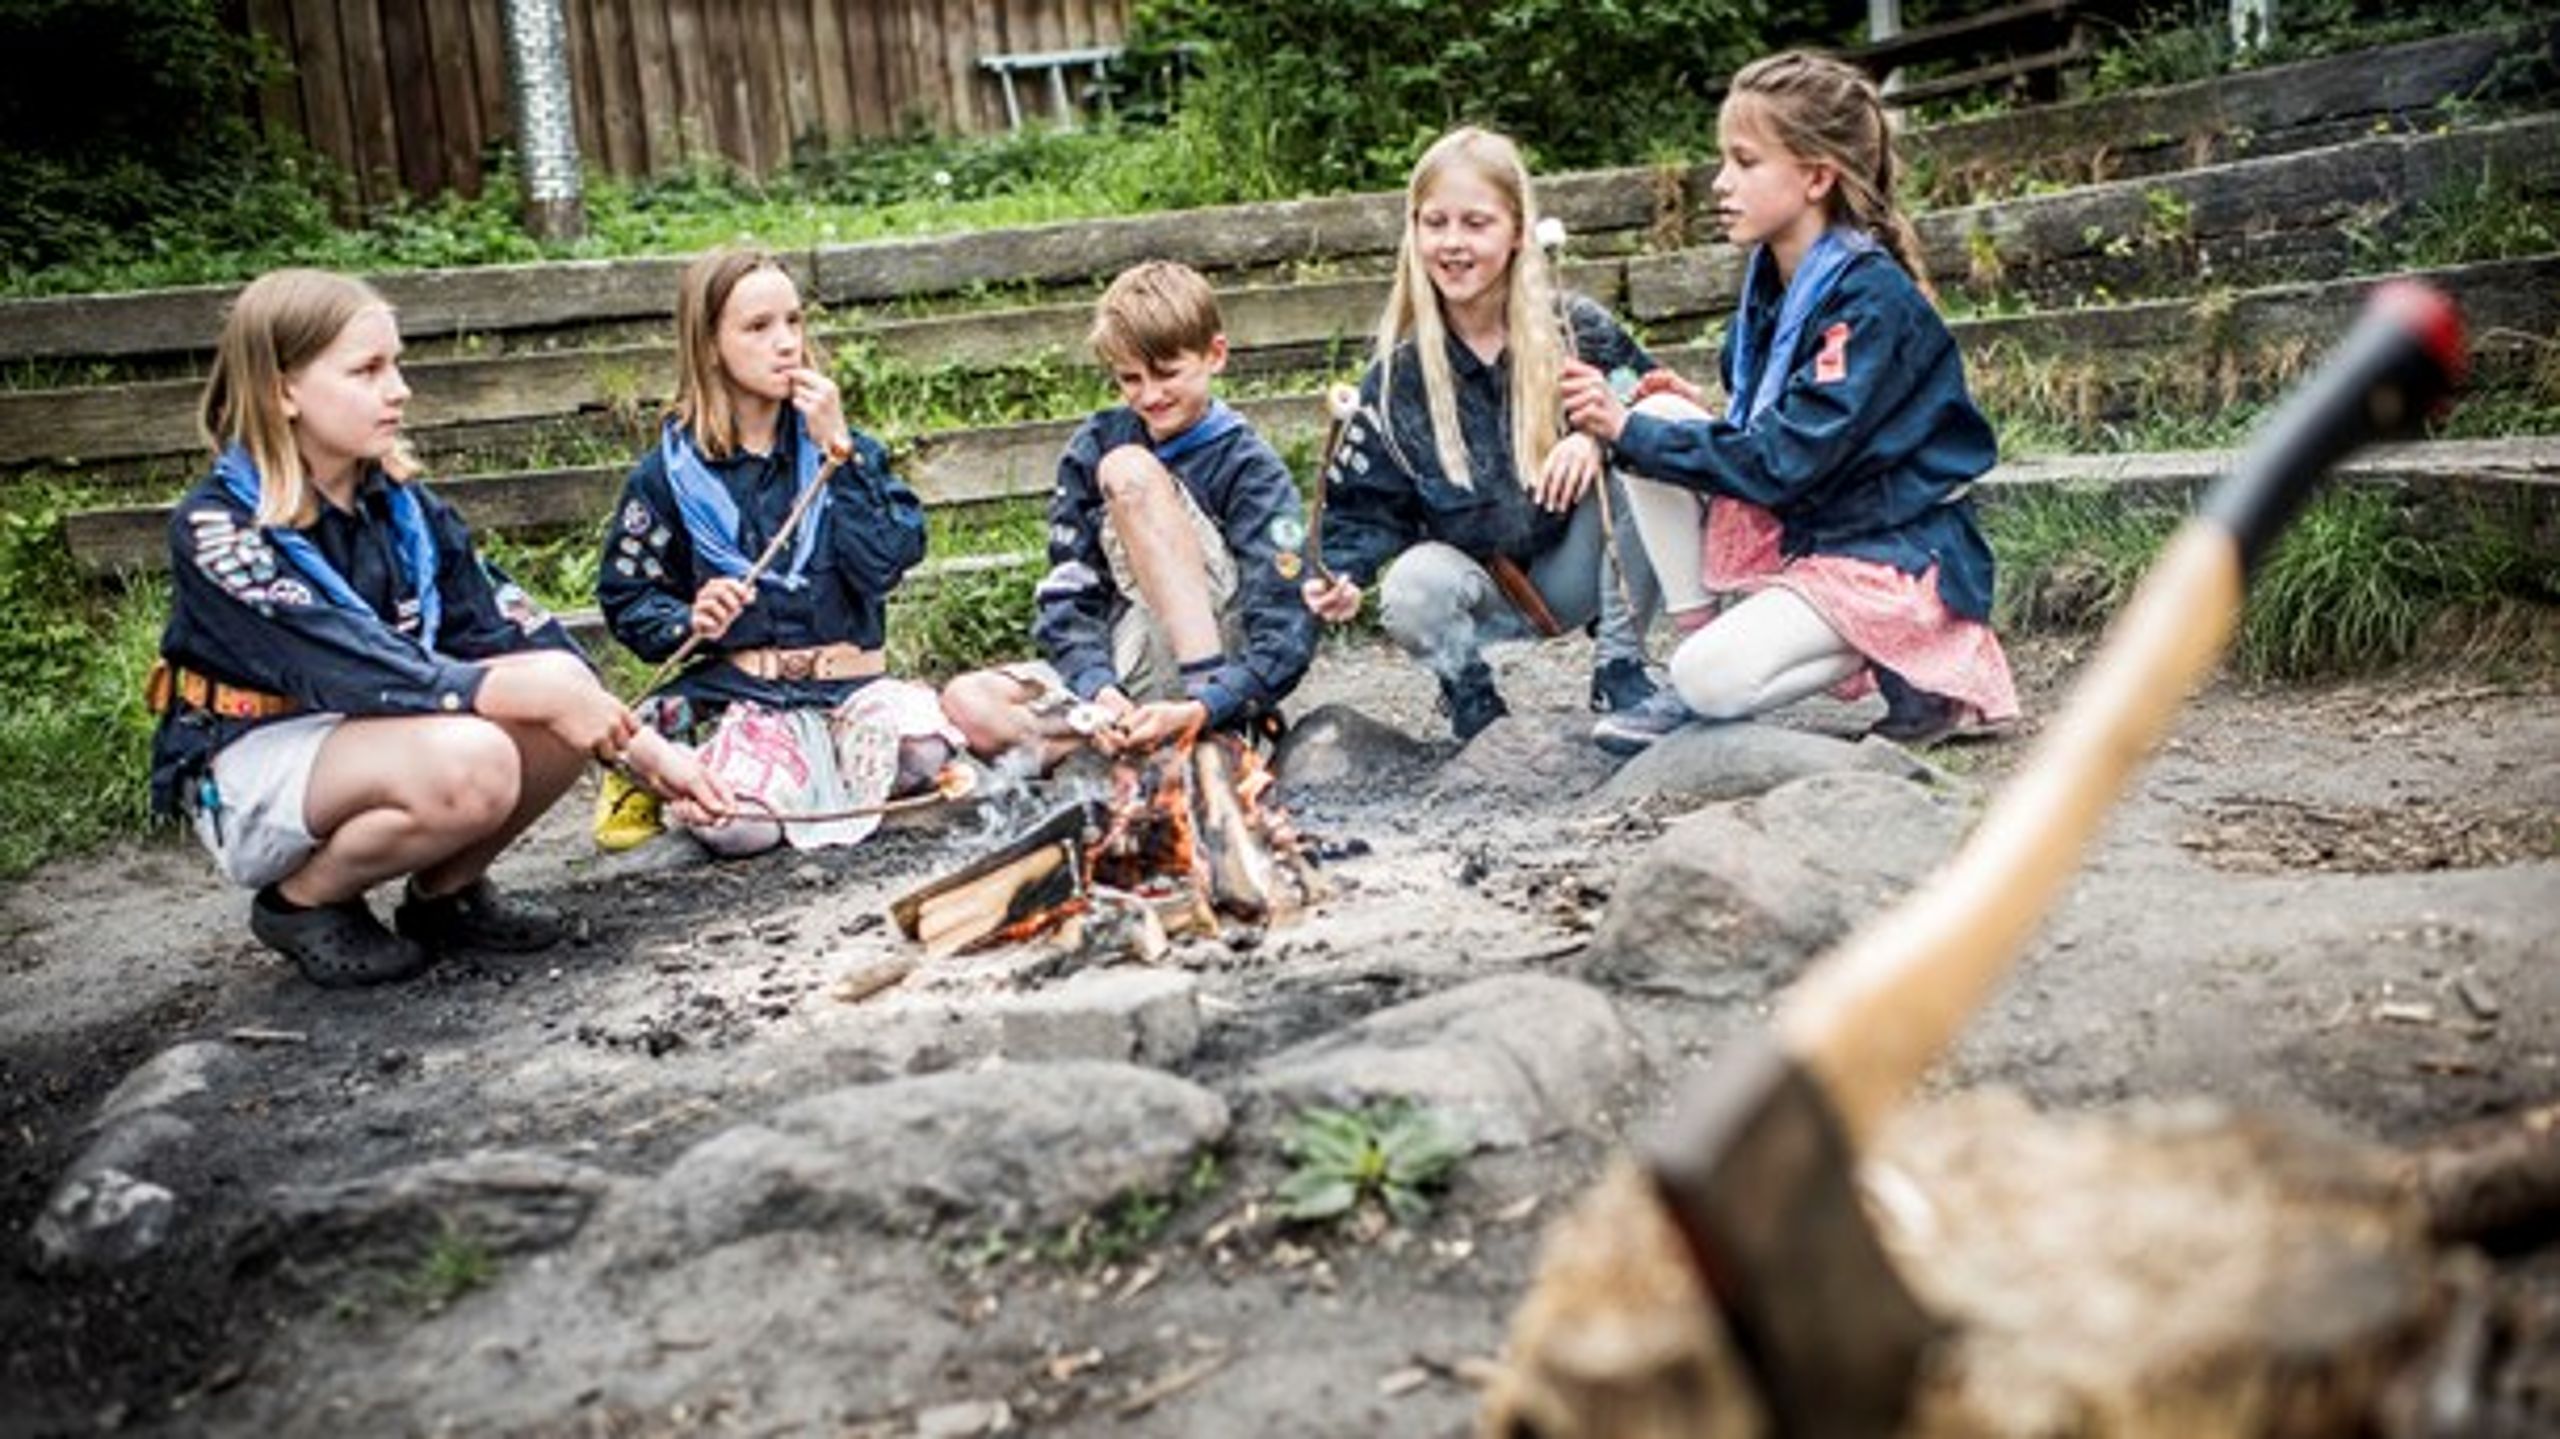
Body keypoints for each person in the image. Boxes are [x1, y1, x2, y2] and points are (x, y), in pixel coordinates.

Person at [148, 268, 731, 988]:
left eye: (396, 365)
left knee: (563, 680)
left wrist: (648, 752)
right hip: (256, 754)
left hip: (379, 732)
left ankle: (445, 899)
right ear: (282, 390)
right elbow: (354, 665)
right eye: (366, 370)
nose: (399, 389)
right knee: (479, 756)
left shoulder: (403, 507)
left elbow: (511, 633)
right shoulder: (219, 528)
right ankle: (302, 903)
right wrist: (534, 700)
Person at [1567, 51, 2020, 754]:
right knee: (1656, 421)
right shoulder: (1773, 280)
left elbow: (1785, 460)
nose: (1720, 183)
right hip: (1815, 528)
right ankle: (1697, 652)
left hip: (1887, 554)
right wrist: (1670, 417)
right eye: (1724, 160)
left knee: (1710, 677)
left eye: (1745, 162)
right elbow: (1773, 427)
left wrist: (1627, 428)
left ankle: (1914, 660)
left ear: (1816, 177)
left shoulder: (1869, 300)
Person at [1299, 126, 1662, 741]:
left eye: (1476, 223)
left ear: (1517, 230)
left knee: (1646, 464)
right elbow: (1362, 508)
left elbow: (1647, 396)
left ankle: (1621, 667)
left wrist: (1596, 437)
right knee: (1412, 586)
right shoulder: (1396, 378)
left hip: (1574, 571)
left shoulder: (1578, 331)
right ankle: (1468, 692)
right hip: (1476, 590)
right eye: (1435, 222)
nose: (1452, 242)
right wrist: (1344, 576)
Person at [598, 246, 959, 856]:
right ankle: (667, 767)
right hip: (749, 696)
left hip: (848, 691)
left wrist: (840, 455)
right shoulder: (668, 475)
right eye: (759, 327)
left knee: (924, 759)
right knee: (739, 830)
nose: (787, 343)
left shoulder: (846, 450)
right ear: (710, 345)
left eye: (794, 321)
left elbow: (886, 564)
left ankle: (802, 777)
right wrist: (690, 618)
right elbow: (628, 598)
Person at [939, 260, 1318, 770]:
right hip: (1125, 670)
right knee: (968, 702)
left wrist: (1213, 700)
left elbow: (1286, 617)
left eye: (1167, 373)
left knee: (1129, 473)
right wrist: (1099, 689)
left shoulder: (1251, 467)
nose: (1150, 396)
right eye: (1130, 379)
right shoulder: (1094, 444)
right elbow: (1069, 591)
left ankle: (1210, 731)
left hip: (1214, 677)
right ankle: (1134, 745)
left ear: (1215, 355)